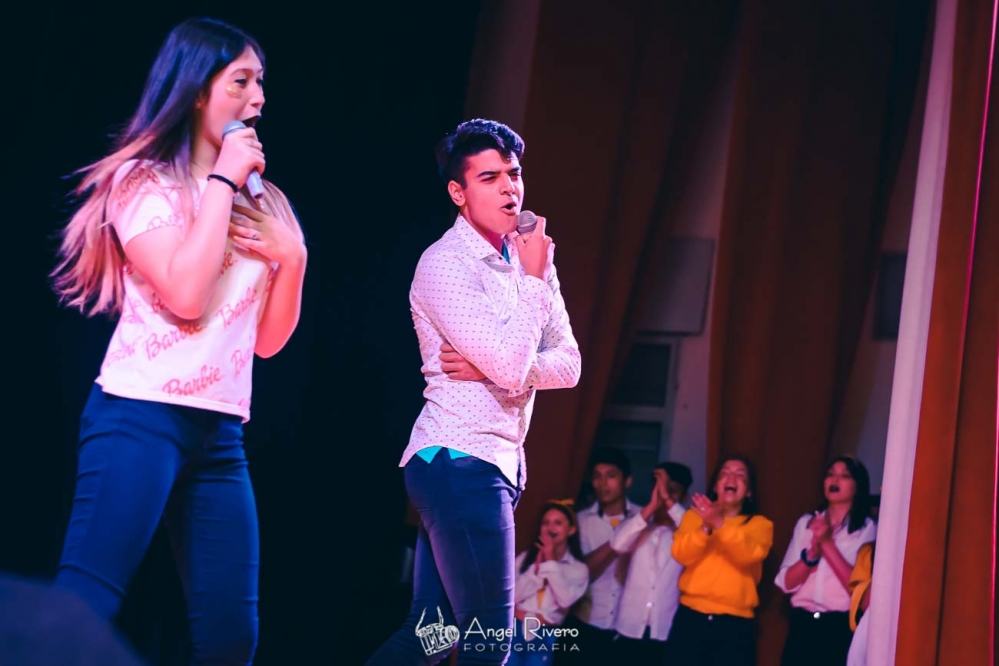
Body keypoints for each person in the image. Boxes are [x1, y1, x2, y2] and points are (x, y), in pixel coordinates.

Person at [50, 18, 306, 665]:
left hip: (220, 433)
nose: (258, 98)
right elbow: (186, 296)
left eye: (261, 83)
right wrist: (221, 182)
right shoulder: (143, 183)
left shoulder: (264, 200)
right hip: (139, 415)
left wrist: (294, 257)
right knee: (85, 604)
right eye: (240, 82)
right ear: (196, 91)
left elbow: (267, 343)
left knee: (231, 636)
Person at [367, 119, 581, 665]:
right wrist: (531, 286)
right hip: (459, 459)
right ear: (458, 193)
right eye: (490, 178)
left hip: (492, 462)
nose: (510, 188)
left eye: (514, 174)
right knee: (491, 642)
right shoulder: (445, 264)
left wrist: (500, 369)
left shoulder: (528, 257)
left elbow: (571, 365)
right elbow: (510, 365)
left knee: (433, 635)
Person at [668, 456, 774, 666]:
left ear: (749, 491)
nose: (731, 478)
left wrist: (718, 523)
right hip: (691, 617)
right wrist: (706, 526)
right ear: (716, 486)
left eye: (740, 475)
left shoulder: (760, 524)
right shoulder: (693, 517)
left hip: (735, 624)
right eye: (725, 473)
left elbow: (749, 554)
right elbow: (681, 554)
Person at [775, 457, 877, 666]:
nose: (835, 480)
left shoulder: (867, 529)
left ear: (858, 486)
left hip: (838, 627)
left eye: (844, 476)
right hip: (801, 624)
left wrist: (827, 544)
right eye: (830, 474)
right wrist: (811, 555)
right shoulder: (806, 523)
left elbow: (859, 591)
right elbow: (785, 583)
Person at [561, 447, 640, 665]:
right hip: (587, 625)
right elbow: (578, 575)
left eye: (611, 475)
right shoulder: (579, 522)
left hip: (628, 630)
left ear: (627, 481)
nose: (603, 483)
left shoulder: (644, 520)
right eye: (597, 476)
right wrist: (618, 541)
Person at [608, 462, 692, 663]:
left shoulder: (689, 533)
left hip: (665, 632)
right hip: (628, 628)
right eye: (661, 490)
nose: (665, 496)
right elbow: (617, 544)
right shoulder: (638, 524)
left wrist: (670, 503)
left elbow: (696, 533)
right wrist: (652, 506)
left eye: (672, 491)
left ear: (684, 496)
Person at [507, 501, 589, 666]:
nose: (550, 528)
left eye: (558, 523)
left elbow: (565, 601)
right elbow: (511, 597)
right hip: (515, 628)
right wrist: (536, 571)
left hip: (545, 634)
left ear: (571, 529)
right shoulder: (525, 558)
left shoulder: (578, 569)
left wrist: (550, 561)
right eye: (545, 523)